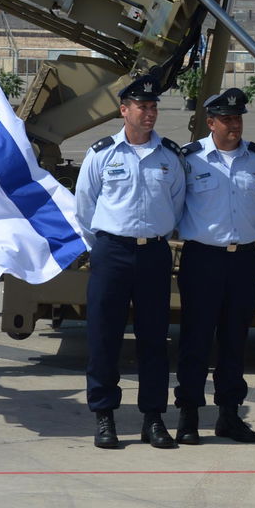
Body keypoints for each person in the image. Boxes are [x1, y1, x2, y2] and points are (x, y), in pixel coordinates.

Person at [76, 75, 185, 450]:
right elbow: (84, 207)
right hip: (112, 252)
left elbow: (176, 205)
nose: (150, 112)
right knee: (104, 336)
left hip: (154, 252)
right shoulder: (102, 153)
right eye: (143, 106)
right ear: (125, 110)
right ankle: (104, 416)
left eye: (154, 106)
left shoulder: (170, 156)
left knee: (154, 338)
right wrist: (103, 247)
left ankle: (153, 418)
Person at [174, 88, 255, 445]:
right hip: (203, 258)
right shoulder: (190, 159)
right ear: (210, 122)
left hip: (243, 258)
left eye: (238, 118)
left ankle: (229, 414)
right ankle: (189, 415)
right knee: (196, 340)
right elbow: (175, 203)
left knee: (235, 340)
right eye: (227, 119)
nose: (234, 125)